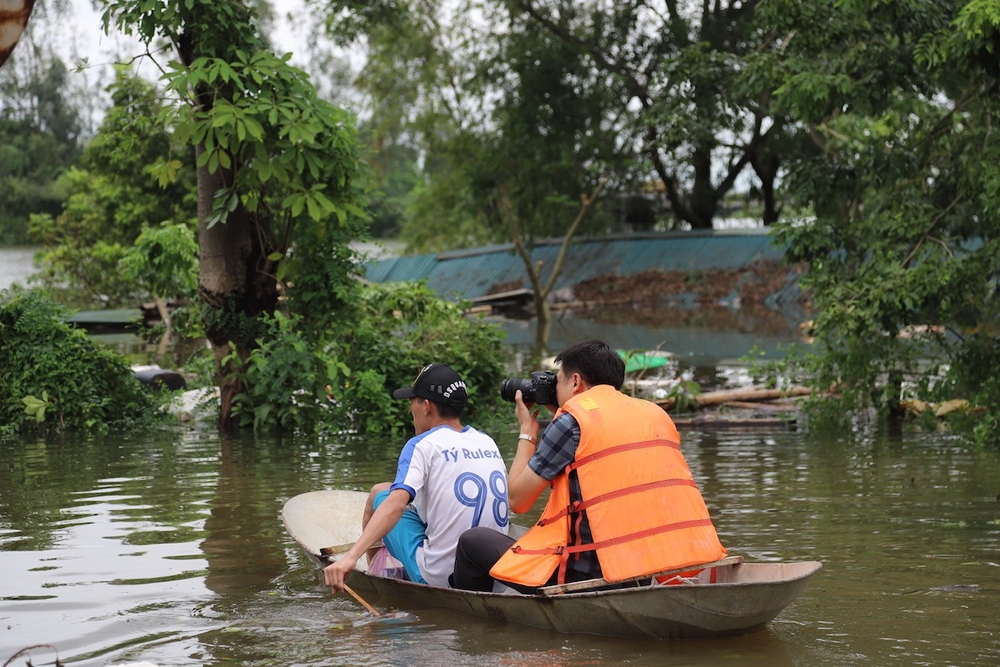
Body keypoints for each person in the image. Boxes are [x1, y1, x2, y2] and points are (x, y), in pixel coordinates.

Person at [450, 339, 726, 593]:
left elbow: (517, 500)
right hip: (644, 570)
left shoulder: (571, 423)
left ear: (576, 382)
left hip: (586, 579)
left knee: (472, 542)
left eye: (558, 381)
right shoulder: (654, 414)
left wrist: (528, 431)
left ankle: (475, 630)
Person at [323, 363, 509, 592]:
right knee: (395, 493)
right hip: (498, 579)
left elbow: (395, 505)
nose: (411, 408)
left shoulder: (422, 444)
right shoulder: (486, 441)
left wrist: (350, 557)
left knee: (379, 495)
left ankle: (376, 577)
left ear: (427, 406)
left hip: (442, 578)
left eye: (413, 400)